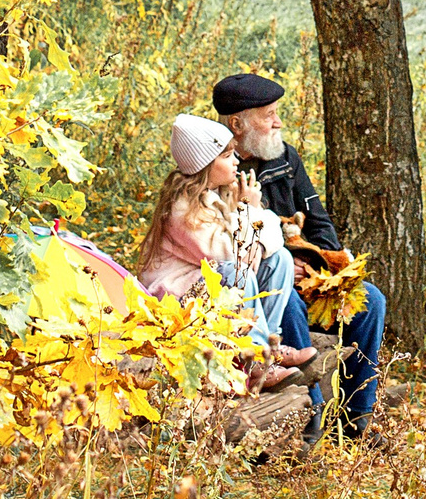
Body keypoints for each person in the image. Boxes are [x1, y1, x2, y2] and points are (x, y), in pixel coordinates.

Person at [212, 73, 392, 436]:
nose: (278, 122)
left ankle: (356, 419)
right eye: (268, 115)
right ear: (237, 124)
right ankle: (312, 420)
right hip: (257, 287)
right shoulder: (215, 167)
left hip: (307, 276)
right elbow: (222, 248)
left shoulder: (285, 158)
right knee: (290, 304)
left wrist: (314, 266)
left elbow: (320, 223)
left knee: (372, 301)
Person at [134, 112, 326, 393]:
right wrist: (250, 209)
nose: (236, 161)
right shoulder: (183, 209)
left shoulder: (217, 196)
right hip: (178, 300)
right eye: (226, 156)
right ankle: (254, 357)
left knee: (280, 260)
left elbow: (271, 242)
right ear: (204, 165)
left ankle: (267, 349)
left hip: (210, 287)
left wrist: (253, 226)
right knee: (237, 271)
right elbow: (231, 255)